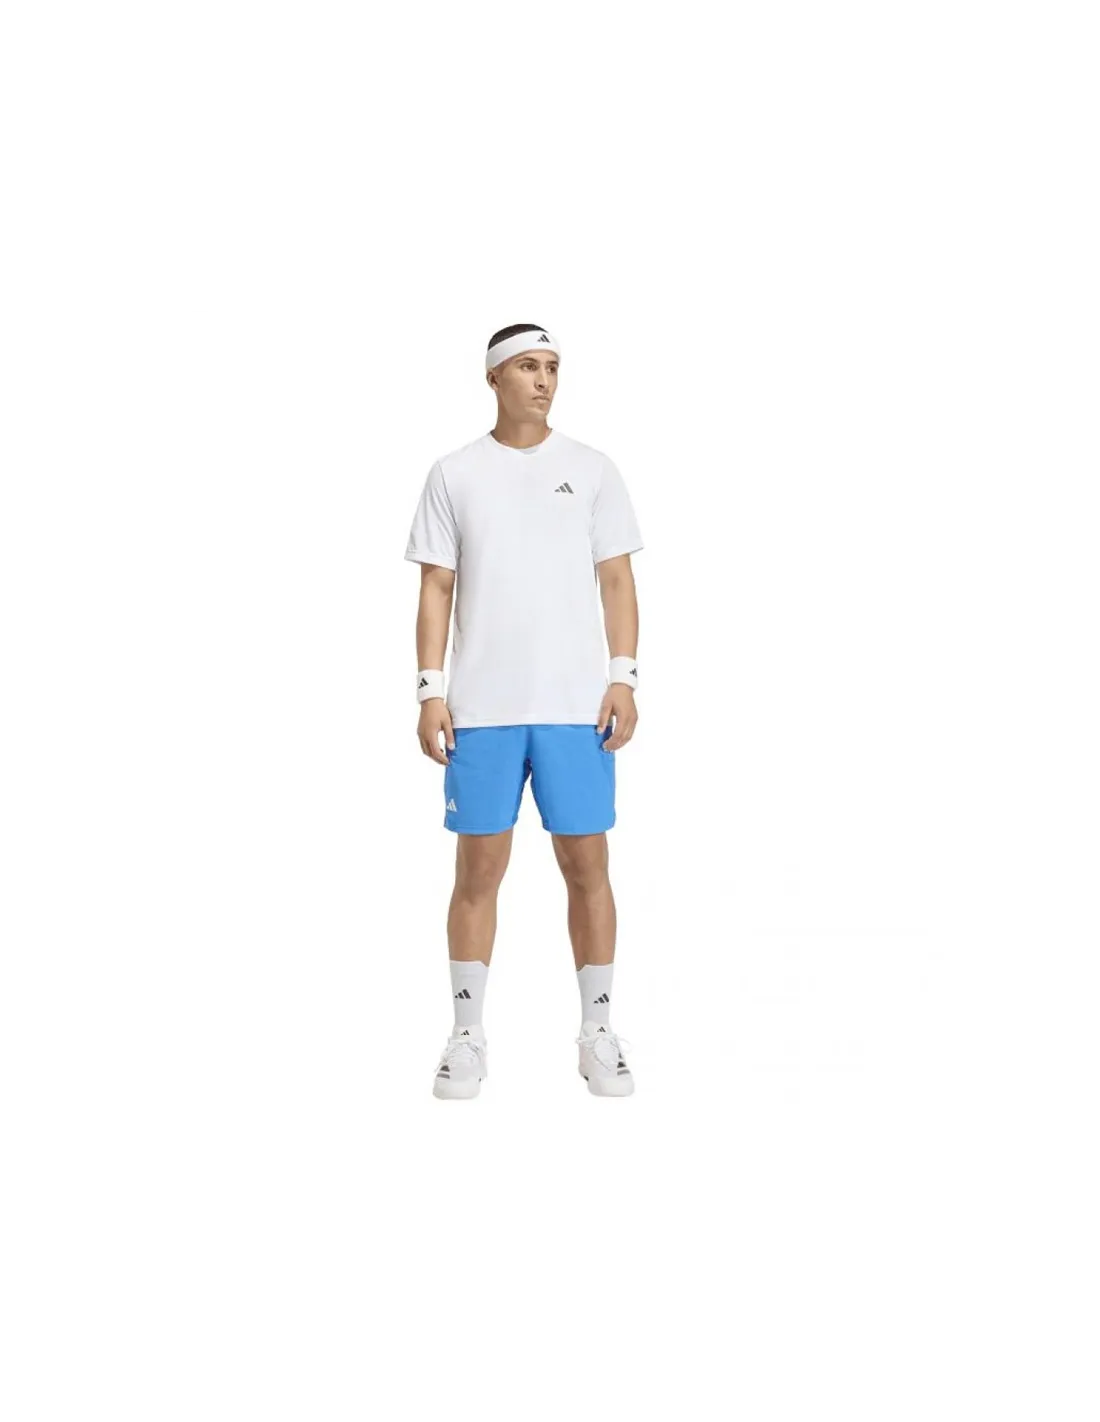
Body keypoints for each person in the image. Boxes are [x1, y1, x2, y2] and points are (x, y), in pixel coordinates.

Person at [404, 324, 643, 1099]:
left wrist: (624, 677)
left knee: (588, 866)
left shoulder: (592, 469)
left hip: (576, 707)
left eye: (553, 368)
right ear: (494, 378)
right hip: (483, 708)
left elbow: (616, 579)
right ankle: (466, 1035)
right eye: (530, 367)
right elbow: (436, 587)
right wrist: (430, 689)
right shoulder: (454, 473)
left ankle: (597, 1031)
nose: (545, 380)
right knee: (478, 870)